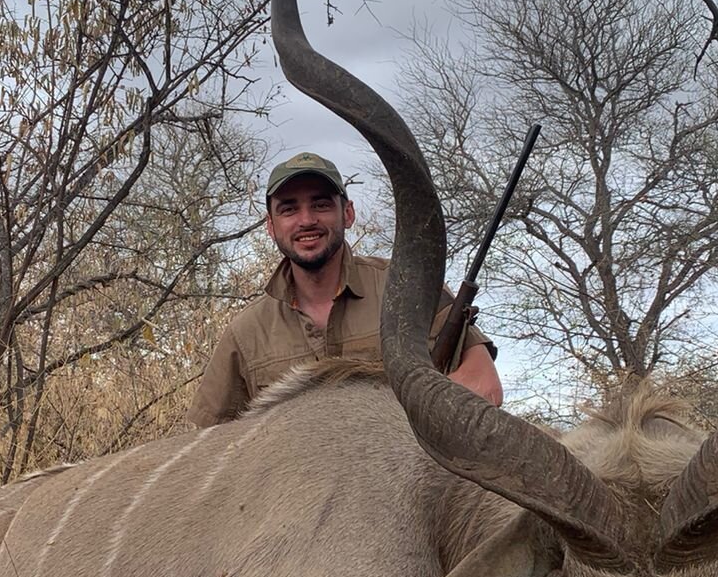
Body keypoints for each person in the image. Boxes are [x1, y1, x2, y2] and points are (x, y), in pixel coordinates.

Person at [188, 151, 504, 428]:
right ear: (271, 226)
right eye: (288, 209)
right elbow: (210, 441)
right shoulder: (246, 333)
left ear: (348, 213)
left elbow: (485, 385)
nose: (307, 220)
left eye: (321, 204)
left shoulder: (408, 289)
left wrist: (384, 426)